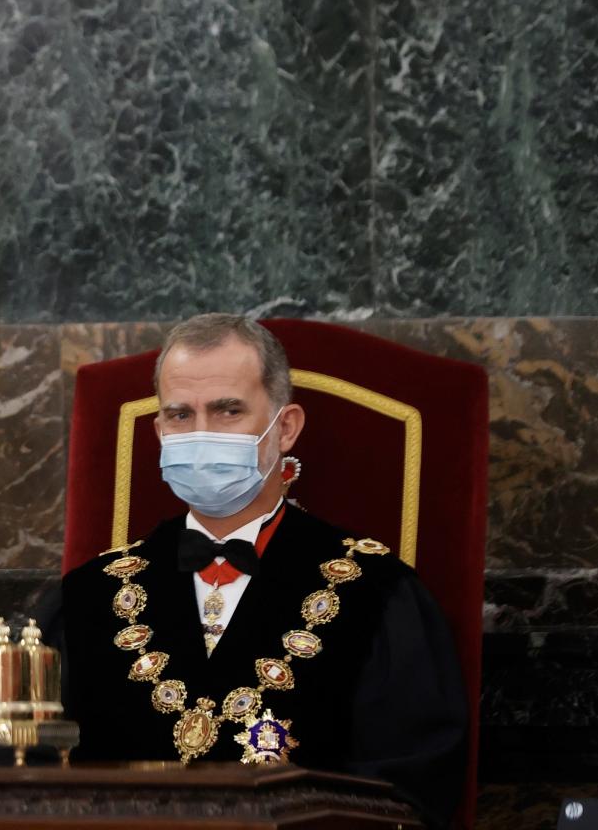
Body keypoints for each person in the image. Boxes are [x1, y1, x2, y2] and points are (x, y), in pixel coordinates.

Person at [37, 313, 466, 827]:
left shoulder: (377, 595)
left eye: (227, 411)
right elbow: (26, 781)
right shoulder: (87, 598)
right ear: (158, 431)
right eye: (179, 415)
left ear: (284, 428)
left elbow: (407, 794)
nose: (200, 434)